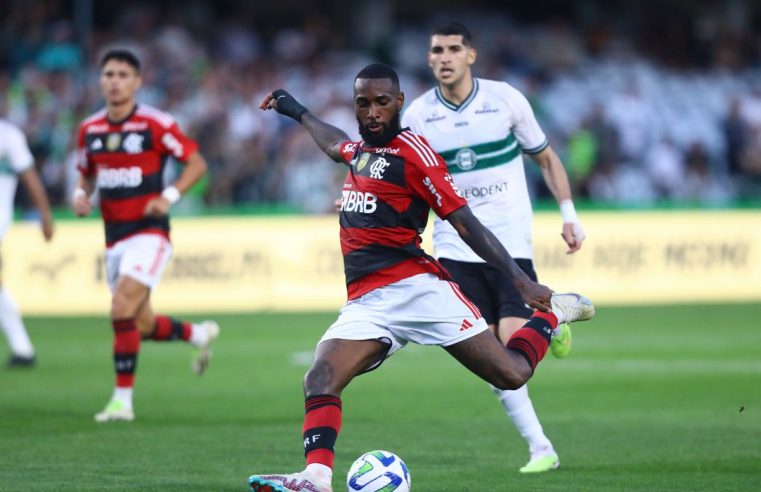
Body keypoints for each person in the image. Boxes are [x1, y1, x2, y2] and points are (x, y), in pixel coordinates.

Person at [247, 63, 594, 492]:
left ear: (398, 104)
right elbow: (335, 144)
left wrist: (521, 281)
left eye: (381, 103)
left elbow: (466, 223)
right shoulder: (362, 151)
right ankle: (316, 477)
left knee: (511, 373)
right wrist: (295, 110)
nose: (372, 111)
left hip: (418, 290)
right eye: (363, 103)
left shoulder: (415, 154)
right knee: (320, 377)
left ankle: (553, 315)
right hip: (367, 302)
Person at [400, 22, 587, 473]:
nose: (443, 57)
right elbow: (400, 177)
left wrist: (569, 214)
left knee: (508, 345)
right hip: (453, 248)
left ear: (471, 55)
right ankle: (541, 447)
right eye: (436, 50)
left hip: (509, 247)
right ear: (429, 59)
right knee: (494, 360)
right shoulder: (419, 115)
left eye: (452, 49)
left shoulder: (505, 99)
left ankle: (550, 319)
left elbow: (545, 157)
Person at [72, 49, 219, 423]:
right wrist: (81, 194)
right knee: (139, 324)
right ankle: (196, 334)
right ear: (101, 79)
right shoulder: (90, 130)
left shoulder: (154, 125)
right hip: (113, 238)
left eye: (123, 74)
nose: (115, 80)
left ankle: (122, 402)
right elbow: (86, 172)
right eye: (109, 73)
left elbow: (196, 162)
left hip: (149, 234)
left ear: (137, 82)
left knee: (120, 307)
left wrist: (168, 196)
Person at [0, 118, 53, 367]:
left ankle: (23, 348)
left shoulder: (8, 135)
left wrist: (45, 214)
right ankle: (22, 348)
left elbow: (29, 176)